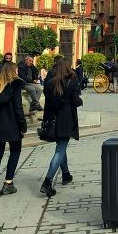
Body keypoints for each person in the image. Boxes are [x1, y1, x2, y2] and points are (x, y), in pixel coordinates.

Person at [40, 60, 83, 197]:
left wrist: (46, 118)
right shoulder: (72, 80)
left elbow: (47, 102)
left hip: (53, 117)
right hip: (66, 118)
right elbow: (76, 101)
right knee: (60, 149)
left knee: (61, 146)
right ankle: (47, 181)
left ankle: (66, 174)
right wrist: (79, 101)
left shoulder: (51, 82)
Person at [0, 63, 27, 199]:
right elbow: (18, 108)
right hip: (12, 125)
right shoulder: (14, 86)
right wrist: (23, 125)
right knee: (15, 152)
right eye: (16, 70)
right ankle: (8, 183)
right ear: (12, 71)